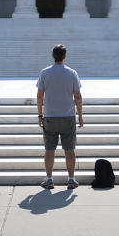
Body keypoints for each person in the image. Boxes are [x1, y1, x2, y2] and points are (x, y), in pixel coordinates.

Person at [37, 44, 83, 190]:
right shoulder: (72, 73)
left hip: (50, 116)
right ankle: (71, 179)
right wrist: (80, 115)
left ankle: (49, 179)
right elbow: (78, 96)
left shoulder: (44, 73)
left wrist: (39, 114)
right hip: (68, 116)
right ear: (65, 57)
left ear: (52, 56)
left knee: (49, 150)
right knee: (69, 149)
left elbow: (39, 96)